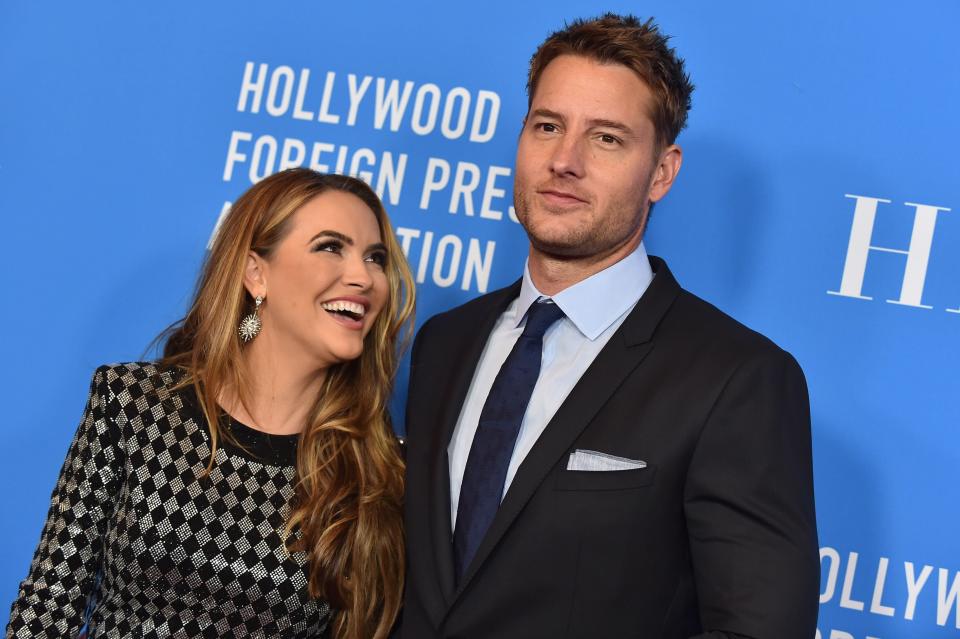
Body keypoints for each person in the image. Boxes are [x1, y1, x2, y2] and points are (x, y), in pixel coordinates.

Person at [400, 14, 819, 639]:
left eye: (606, 139)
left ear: (662, 173)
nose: (564, 161)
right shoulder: (445, 341)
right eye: (548, 127)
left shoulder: (738, 381)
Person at [7, 169, 415, 639]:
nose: (363, 277)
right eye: (330, 247)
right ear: (256, 273)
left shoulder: (376, 470)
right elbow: (46, 607)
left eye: (375, 258)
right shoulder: (133, 405)